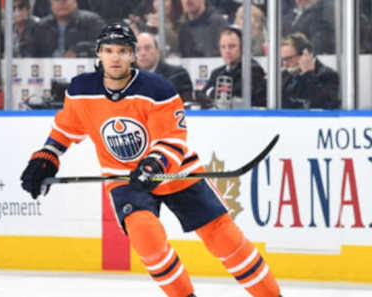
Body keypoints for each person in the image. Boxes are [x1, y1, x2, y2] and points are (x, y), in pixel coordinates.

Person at [20, 23, 282, 297]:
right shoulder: (81, 90)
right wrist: (47, 156)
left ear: (133, 55)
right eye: (109, 50)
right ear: (99, 54)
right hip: (125, 179)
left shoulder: (158, 89)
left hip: (176, 174)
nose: (115, 57)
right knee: (146, 239)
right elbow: (66, 129)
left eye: (122, 51)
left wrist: (154, 164)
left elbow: (172, 138)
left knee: (224, 238)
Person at [201, 25, 266, 109]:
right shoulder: (217, 73)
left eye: (232, 46)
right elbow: (203, 95)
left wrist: (213, 93)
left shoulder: (253, 70)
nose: (227, 51)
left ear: (242, 47)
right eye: (223, 47)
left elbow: (236, 94)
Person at [280, 32, 340, 109]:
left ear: (306, 55)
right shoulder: (284, 76)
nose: (285, 64)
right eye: (282, 60)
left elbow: (321, 102)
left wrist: (308, 74)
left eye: (288, 59)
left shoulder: (328, 75)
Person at [33, 0, 105, 58]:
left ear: (75, 2)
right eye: (57, 1)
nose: (61, 4)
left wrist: (78, 51)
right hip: (47, 70)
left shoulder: (92, 20)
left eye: (65, 0)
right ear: (51, 4)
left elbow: (104, 45)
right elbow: (32, 51)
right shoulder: (42, 26)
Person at [136, 32, 194, 104]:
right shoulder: (128, 79)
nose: (143, 53)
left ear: (157, 51)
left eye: (147, 48)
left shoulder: (178, 74)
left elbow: (184, 108)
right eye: (138, 49)